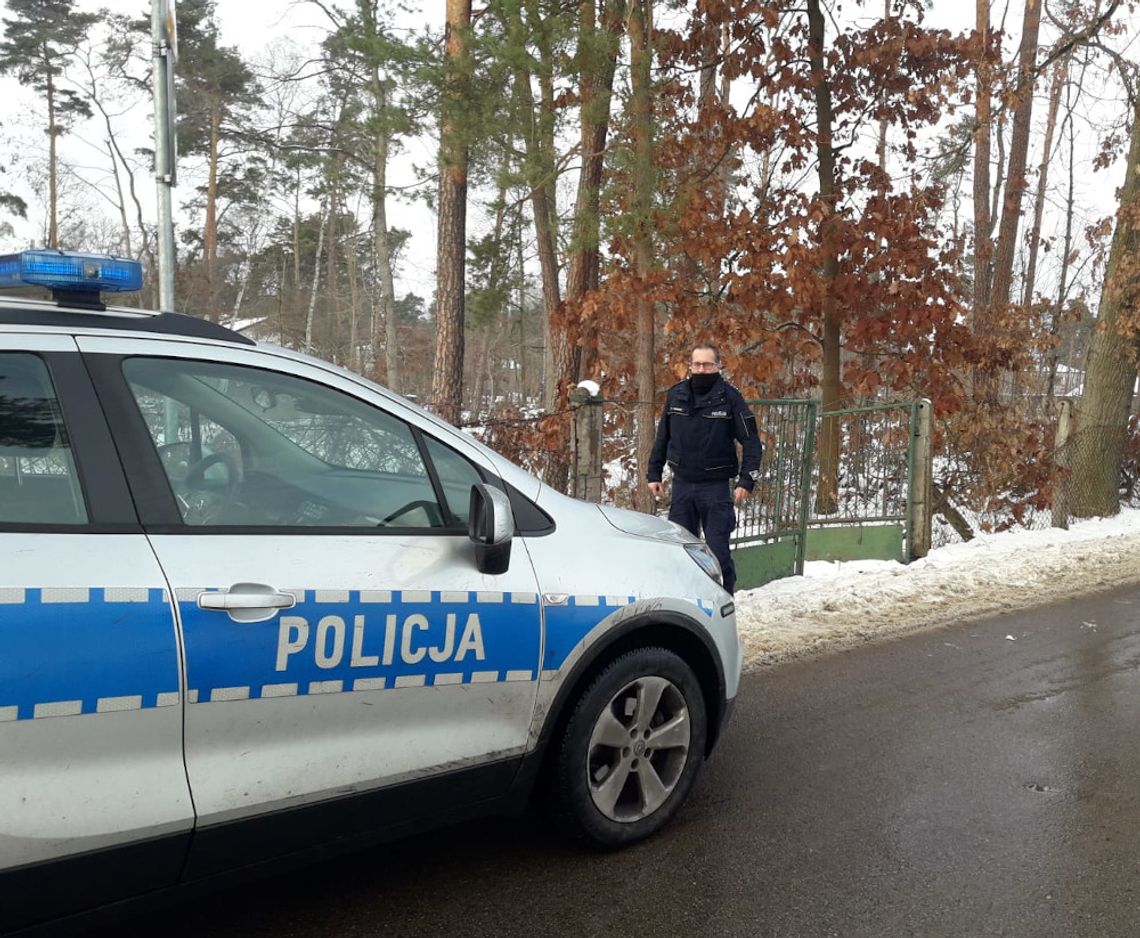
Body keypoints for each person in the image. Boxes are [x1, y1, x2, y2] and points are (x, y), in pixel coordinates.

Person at [646, 343, 763, 595]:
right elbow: (662, 436)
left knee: (717, 552)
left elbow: (752, 441)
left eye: (708, 364)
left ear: (718, 366)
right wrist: (653, 472)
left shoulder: (730, 398)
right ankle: (684, 602)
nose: (702, 369)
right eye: (697, 364)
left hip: (715, 489)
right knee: (680, 551)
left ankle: (724, 602)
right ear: (690, 366)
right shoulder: (676, 395)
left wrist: (746, 480)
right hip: (682, 487)